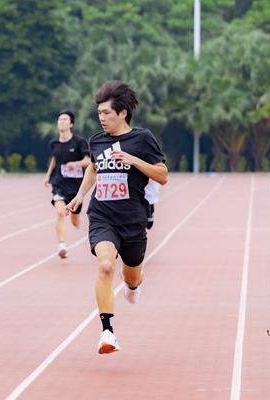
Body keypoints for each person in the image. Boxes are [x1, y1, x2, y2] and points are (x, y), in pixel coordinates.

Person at [66, 81, 168, 354]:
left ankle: (133, 287)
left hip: (133, 220)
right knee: (106, 267)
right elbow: (94, 170)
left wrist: (133, 160)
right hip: (102, 217)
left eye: (107, 113)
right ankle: (107, 332)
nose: (102, 118)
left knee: (132, 275)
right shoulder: (96, 141)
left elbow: (162, 175)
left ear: (123, 113)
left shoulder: (142, 138)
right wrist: (80, 196)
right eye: (99, 113)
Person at [43, 110, 90, 258]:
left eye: (65, 119)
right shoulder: (54, 143)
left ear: (71, 124)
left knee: (75, 219)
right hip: (59, 183)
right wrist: (48, 176)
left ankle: (76, 217)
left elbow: (88, 161)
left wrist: (74, 164)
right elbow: (55, 159)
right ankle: (62, 244)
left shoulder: (79, 142)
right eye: (59, 119)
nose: (61, 122)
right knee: (60, 212)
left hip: (76, 186)